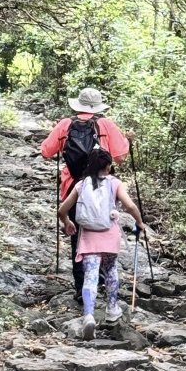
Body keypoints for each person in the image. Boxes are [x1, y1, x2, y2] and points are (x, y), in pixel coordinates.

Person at [40, 87, 132, 301]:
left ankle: (82, 286)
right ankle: (101, 279)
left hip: (73, 187)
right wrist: (127, 140)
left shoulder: (65, 124)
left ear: (78, 105)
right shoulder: (105, 125)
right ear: (98, 106)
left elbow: (45, 152)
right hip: (103, 190)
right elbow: (120, 157)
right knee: (102, 231)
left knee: (78, 235)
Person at [58, 147, 146, 339]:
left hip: (89, 236)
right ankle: (112, 310)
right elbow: (130, 206)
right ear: (108, 166)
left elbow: (62, 210)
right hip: (109, 234)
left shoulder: (81, 185)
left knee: (90, 274)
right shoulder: (115, 183)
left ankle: (88, 315)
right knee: (111, 270)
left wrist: (67, 222)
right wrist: (139, 222)